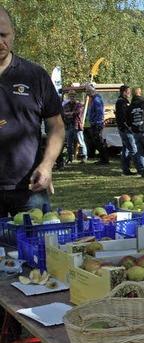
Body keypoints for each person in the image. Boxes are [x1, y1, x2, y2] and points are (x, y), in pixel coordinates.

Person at [0, 6, 64, 217]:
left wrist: (47, 166)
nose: (1, 42)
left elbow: (56, 126)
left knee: (38, 248)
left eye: (4, 34)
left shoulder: (34, 75)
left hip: (30, 187)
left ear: (13, 33)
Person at [115, 84, 141, 176]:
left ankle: (125, 170)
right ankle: (140, 169)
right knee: (133, 149)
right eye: (128, 92)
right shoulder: (121, 102)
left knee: (126, 149)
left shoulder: (123, 101)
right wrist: (129, 127)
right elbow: (123, 117)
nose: (130, 94)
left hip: (123, 128)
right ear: (124, 92)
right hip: (125, 129)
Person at [61, 91, 87, 164]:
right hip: (69, 126)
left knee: (81, 142)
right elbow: (63, 113)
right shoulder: (66, 105)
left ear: (75, 97)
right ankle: (69, 158)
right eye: (70, 96)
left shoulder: (79, 105)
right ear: (69, 97)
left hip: (77, 126)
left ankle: (83, 157)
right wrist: (70, 114)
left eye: (73, 96)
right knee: (69, 144)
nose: (72, 97)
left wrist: (69, 114)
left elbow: (78, 112)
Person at [86, 83, 108, 164]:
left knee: (99, 141)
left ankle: (104, 159)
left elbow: (99, 113)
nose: (87, 93)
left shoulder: (96, 100)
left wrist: (97, 123)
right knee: (97, 141)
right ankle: (103, 158)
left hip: (97, 124)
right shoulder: (94, 99)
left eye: (87, 91)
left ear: (91, 91)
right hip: (95, 123)